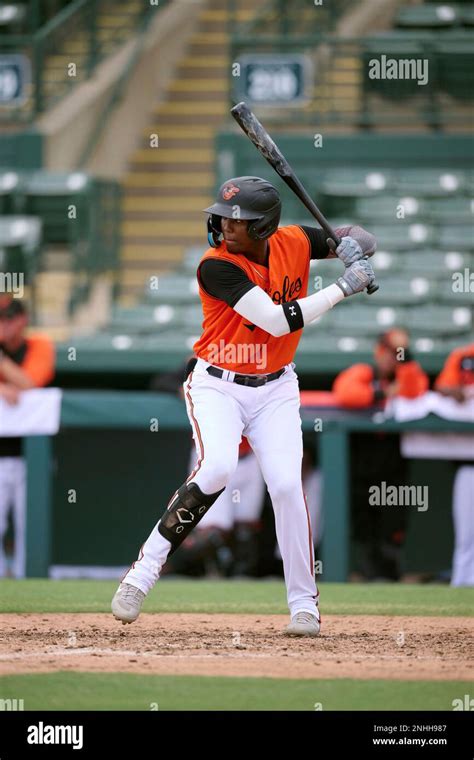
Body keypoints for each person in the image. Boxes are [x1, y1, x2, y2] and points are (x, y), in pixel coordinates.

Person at [112, 175, 377, 636]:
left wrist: (353, 244)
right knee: (216, 468)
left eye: (238, 221)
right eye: (224, 217)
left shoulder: (293, 240)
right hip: (219, 383)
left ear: (263, 227)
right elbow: (276, 321)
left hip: (275, 388)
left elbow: (362, 235)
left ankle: (303, 605)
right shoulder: (216, 267)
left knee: (286, 487)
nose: (224, 225)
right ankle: (142, 572)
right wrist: (343, 286)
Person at [333, 328, 429, 580]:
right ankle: (368, 577)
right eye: (390, 351)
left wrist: (406, 360)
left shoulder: (407, 375)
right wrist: (383, 393)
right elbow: (344, 393)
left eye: (400, 352)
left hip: (393, 469)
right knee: (365, 530)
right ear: (379, 352)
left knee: (392, 527)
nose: (393, 357)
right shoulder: (365, 373)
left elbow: (416, 390)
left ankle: (390, 577)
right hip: (363, 467)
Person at [0, 296, 55, 577]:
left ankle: (27, 579)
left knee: (29, 524)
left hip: (30, 457)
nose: (2, 325)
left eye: (7, 318)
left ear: (21, 320)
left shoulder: (39, 344)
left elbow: (31, 382)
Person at [435, 343, 474, 586]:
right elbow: (443, 386)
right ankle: (462, 583)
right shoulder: (464, 354)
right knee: (467, 534)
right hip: (469, 464)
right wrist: (457, 392)